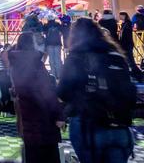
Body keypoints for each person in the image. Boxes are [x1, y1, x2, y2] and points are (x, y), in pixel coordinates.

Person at [57, 18, 136, 163]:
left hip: (88, 124)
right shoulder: (116, 56)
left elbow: (63, 91)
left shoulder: (76, 56)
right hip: (120, 125)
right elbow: (129, 90)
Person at [9, 32, 64, 163]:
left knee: (32, 153)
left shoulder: (15, 63)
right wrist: (58, 115)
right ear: (31, 44)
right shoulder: (35, 64)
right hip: (43, 118)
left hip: (26, 114)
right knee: (48, 155)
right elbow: (46, 92)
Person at [119, 12, 143, 82]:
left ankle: (138, 75)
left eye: (120, 16)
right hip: (125, 45)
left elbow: (126, 35)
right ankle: (135, 74)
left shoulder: (128, 24)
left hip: (127, 44)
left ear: (124, 16)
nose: (120, 17)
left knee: (130, 61)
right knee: (128, 61)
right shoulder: (124, 24)